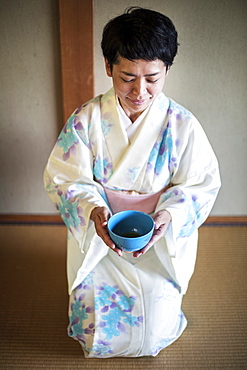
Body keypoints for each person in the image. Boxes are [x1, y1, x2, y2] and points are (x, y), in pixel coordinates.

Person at [44, 7, 221, 358]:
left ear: (166, 69)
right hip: (101, 238)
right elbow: (64, 177)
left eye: (152, 78)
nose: (140, 91)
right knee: (95, 318)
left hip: (158, 238)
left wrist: (168, 217)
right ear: (109, 67)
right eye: (127, 77)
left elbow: (201, 183)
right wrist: (93, 212)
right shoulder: (87, 120)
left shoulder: (182, 124)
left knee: (155, 319)